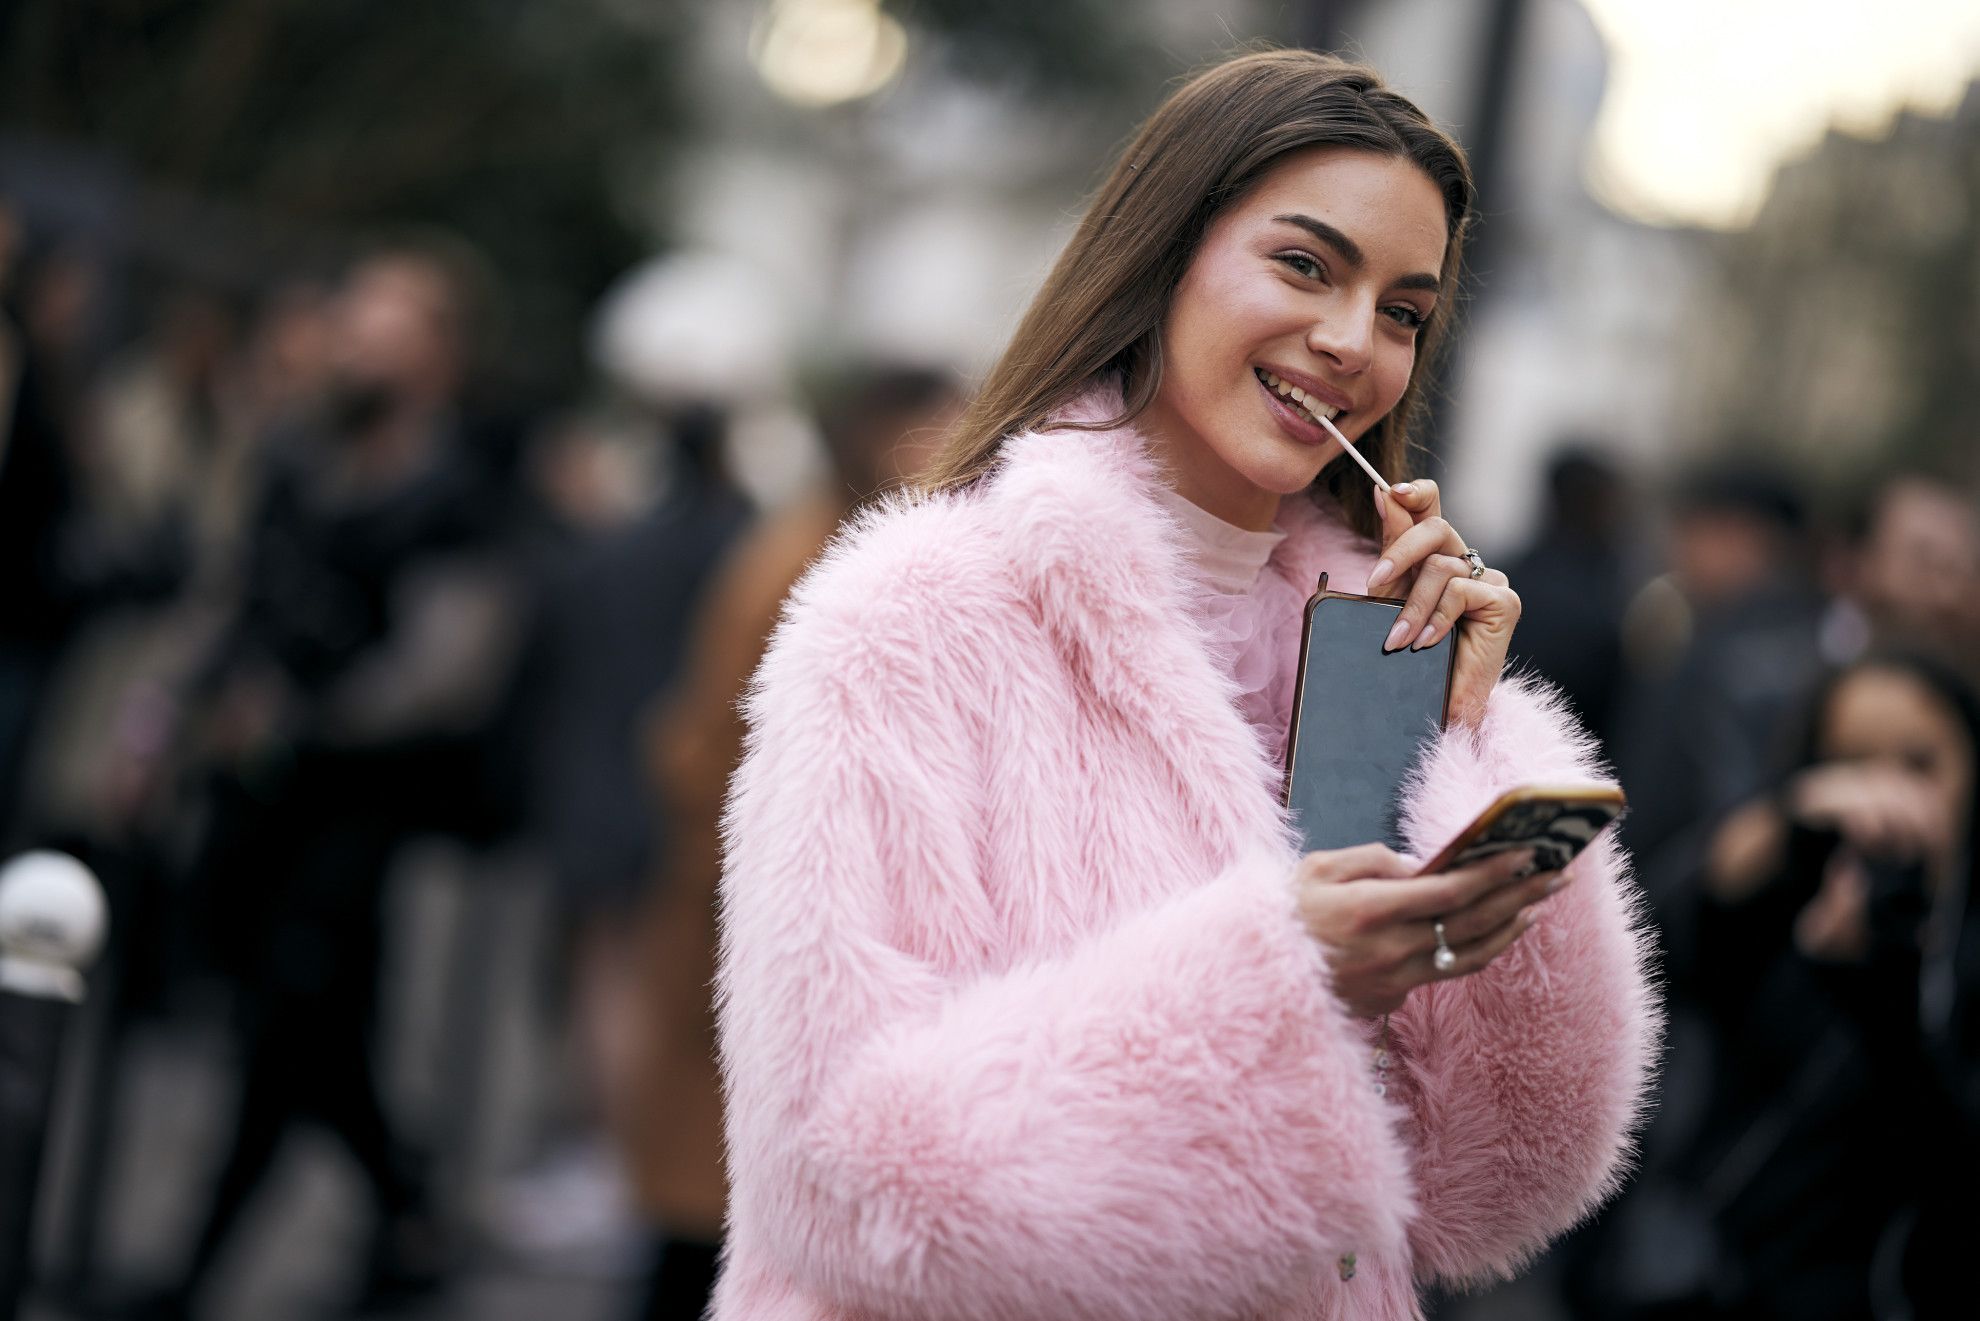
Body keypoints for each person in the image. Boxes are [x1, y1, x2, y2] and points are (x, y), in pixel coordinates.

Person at [712, 50, 1659, 1320]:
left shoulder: (1366, 654)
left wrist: (1459, 743)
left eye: (1403, 311)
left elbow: (1492, 1194)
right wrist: (1273, 981)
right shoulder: (913, 617)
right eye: (1306, 265)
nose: (1350, 342)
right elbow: (840, 1176)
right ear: (1166, 256)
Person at [628, 363, 961, 1319]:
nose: (956, 452)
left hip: (762, 944)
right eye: (934, 429)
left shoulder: (840, 547)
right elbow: (708, 758)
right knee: (710, 1227)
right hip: (746, 943)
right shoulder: (802, 561)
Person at [1620, 652, 1978, 1320]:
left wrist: (1881, 991)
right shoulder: (1787, 902)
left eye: (1920, 765)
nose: (1887, 798)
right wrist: (1779, 829)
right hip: (1730, 1281)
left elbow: (1948, 1173)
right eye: (1852, 763)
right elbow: (1648, 949)